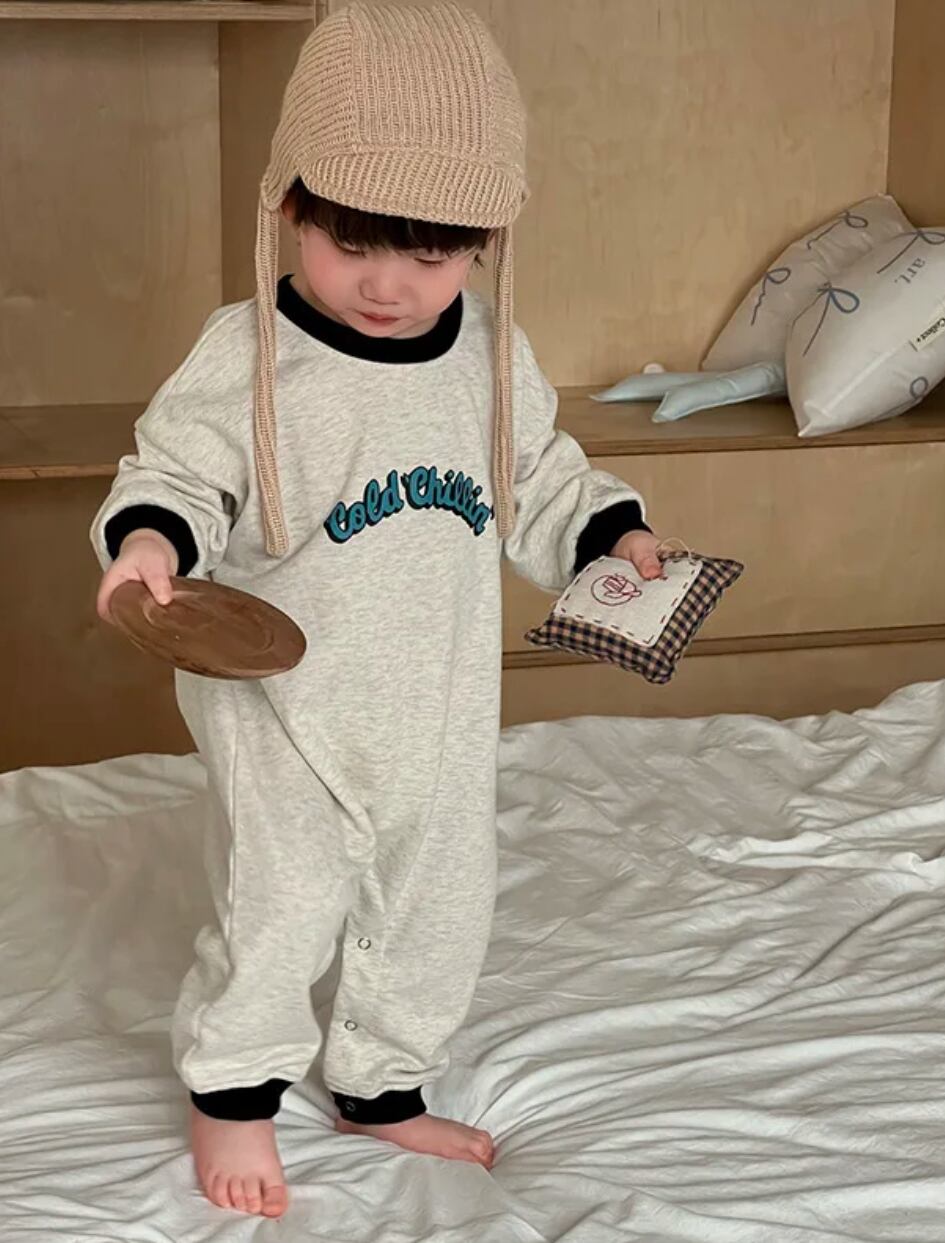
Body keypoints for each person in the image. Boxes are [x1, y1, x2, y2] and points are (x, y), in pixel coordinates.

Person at [92, 1, 659, 1219]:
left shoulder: (488, 354)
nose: (389, 284)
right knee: (282, 893)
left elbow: (541, 478)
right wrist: (149, 542)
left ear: (484, 245)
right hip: (278, 697)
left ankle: (379, 1083)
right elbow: (175, 473)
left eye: (433, 256)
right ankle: (232, 1089)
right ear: (291, 205)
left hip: (436, 694)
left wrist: (612, 535)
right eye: (352, 242)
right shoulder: (248, 355)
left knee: (436, 894)